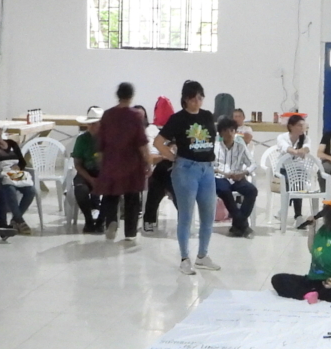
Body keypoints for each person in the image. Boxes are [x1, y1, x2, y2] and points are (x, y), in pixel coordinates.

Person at [157, 80, 221, 275]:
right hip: (186, 169)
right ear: (185, 99)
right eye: (193, 98)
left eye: (200, 98)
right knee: (186, 215)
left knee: (208, 214)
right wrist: (172, 157)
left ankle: (202, 255)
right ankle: (185, 258)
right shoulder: (177, 119)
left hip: (207, 169)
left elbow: (212, 139)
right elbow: (158, 142)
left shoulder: (207, 115)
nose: (197, 102)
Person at [271, 195, 331, 302]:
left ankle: (312, 293)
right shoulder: (323, 230)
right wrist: (311, 229)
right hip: (315, 280)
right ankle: (315, 293)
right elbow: (313, 250)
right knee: (278, 279)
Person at [96, 82, 149, 245]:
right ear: (131, 96)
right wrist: (148, 162)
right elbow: (142, 142)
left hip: (111, 161)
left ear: (117, 95)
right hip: (131, 163)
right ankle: (130, 233)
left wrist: (102, 162)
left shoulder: (107, 115)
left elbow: (101, 142)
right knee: (132, 197)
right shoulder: (136, 116)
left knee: (111, 195)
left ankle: (112, 220)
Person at [0, 124, 36, 233]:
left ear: (0, 131)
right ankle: (20, 221)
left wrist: (18, 167)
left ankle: (15, 220)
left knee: (31, 191)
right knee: (10, 189)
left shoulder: (12, 143)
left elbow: (22, 162)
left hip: (15, 173)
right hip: (1, 174)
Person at [213, 118, 258, 238]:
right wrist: (223, 172)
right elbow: (209, 166)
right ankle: (243, 225)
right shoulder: (215, 147)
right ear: (220, 133)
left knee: (252, 190)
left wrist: (243, 173)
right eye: (225, 131)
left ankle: (237, 225)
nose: (229, 133)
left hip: (237, 177)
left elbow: (253, 164)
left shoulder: (240, 147)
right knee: (224, 190)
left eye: (232, 130)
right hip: (220, 176)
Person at [277, 114, 319, 226]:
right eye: (299, 125)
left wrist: (303, 150)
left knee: (297, 182)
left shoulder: (305, 138)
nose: (302, 128)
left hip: (299, 170)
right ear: (291, 126)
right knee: (293, 183)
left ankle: (289, 212)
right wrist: (297, 152)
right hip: (283, 169)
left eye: (303, 125)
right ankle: (297, 215)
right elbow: (286, 148)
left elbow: (307, 148)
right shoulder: (282, 137)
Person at [70, 119, 104, 232]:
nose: (91, 127)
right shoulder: (82, 139)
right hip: (86, 171)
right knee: (80, 189)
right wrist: (90, 179)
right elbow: (77, 164)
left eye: (94, 124)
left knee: (111, 190)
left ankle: (101, 220)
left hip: (105, 172)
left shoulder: (109, 138)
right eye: (89, 124)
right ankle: (88, 220)